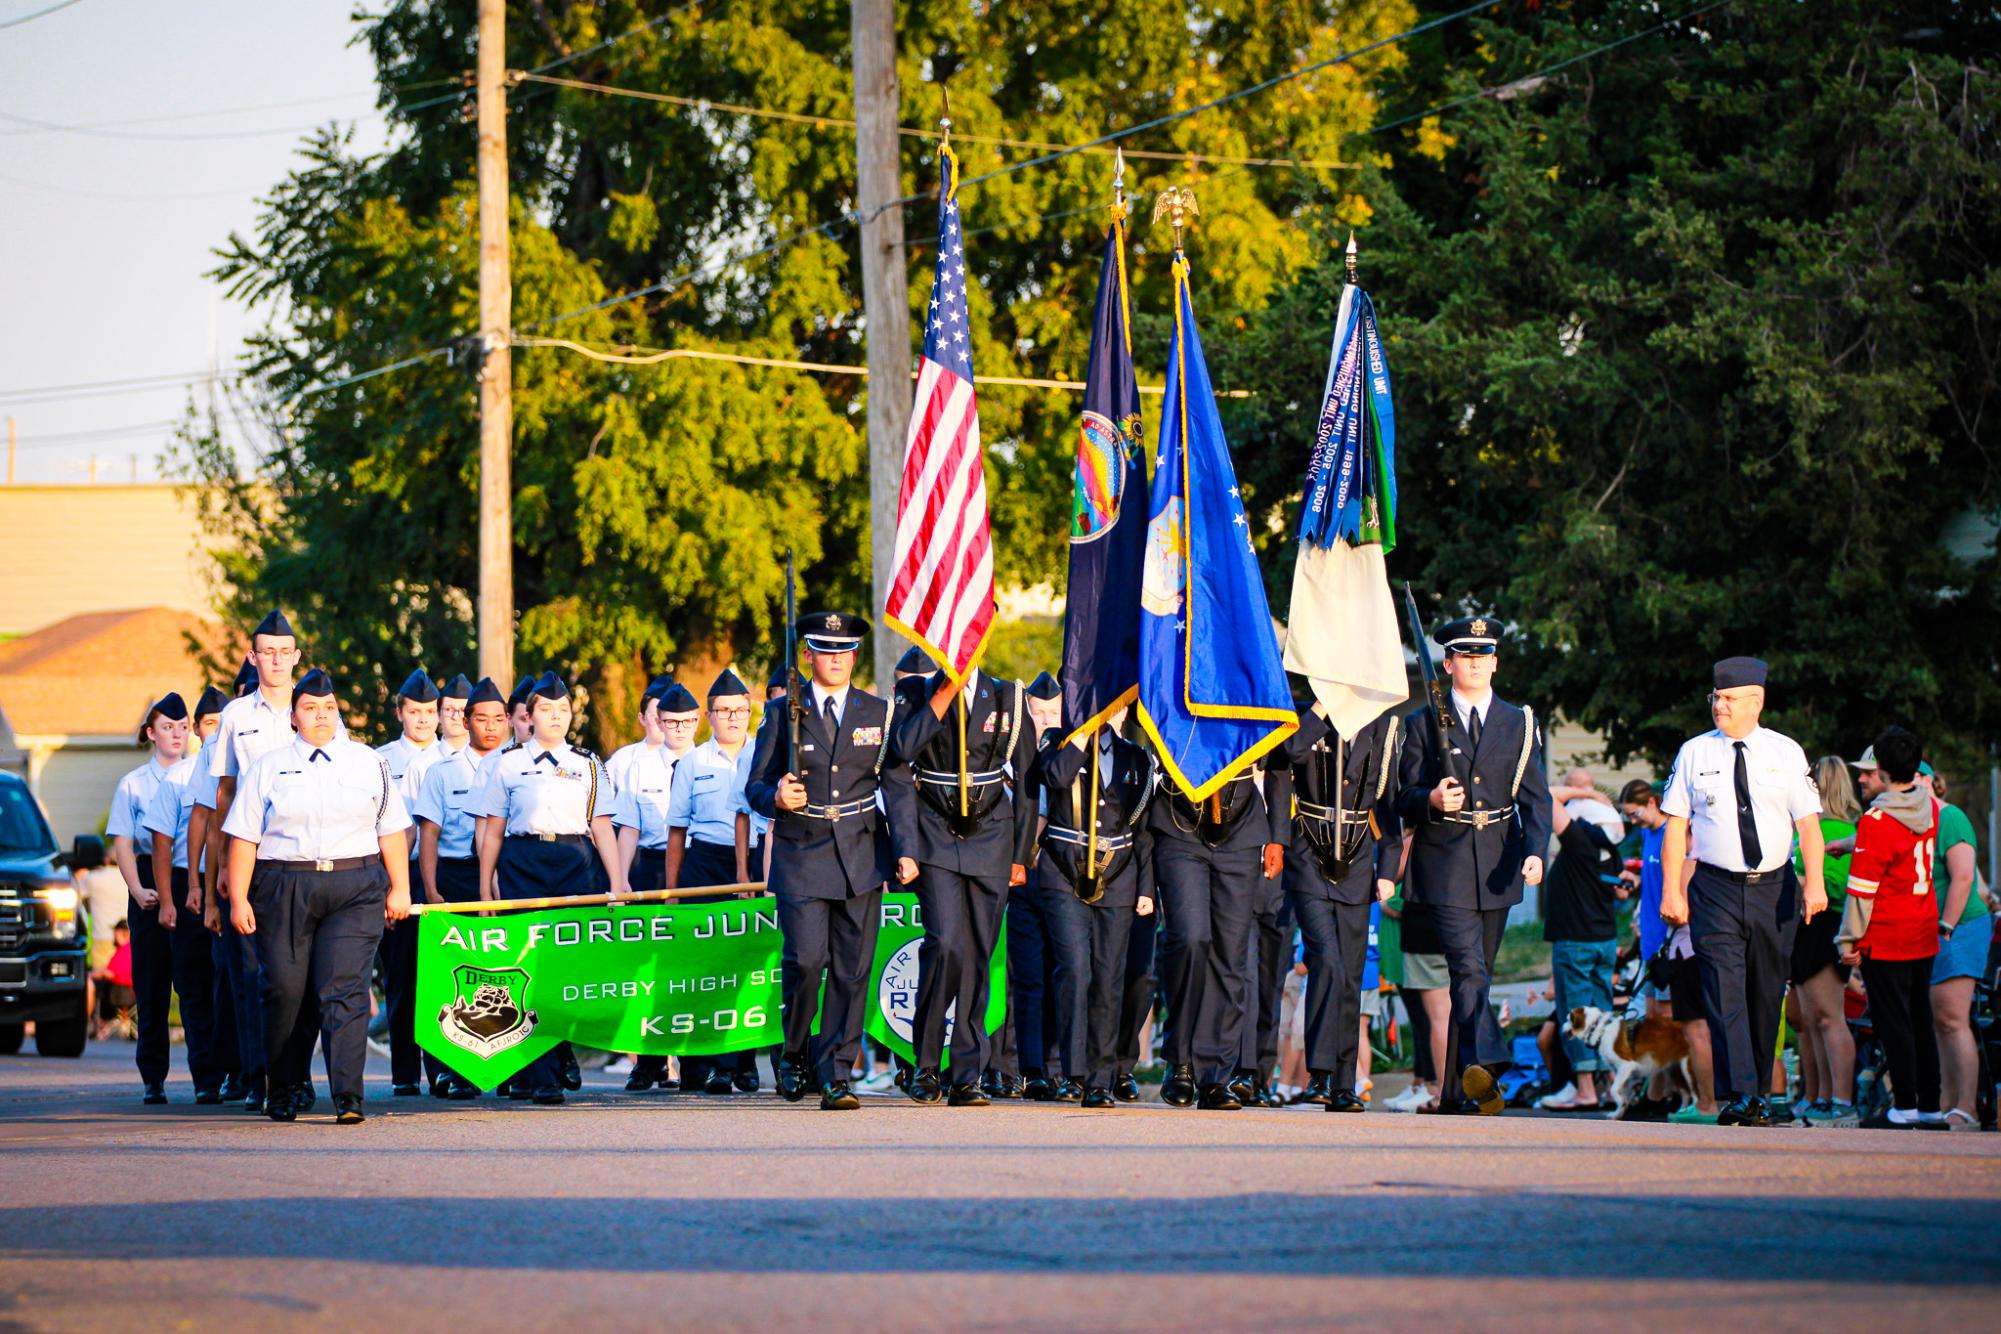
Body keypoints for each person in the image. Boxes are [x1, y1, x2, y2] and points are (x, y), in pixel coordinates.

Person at [222, 669, 414, 1124]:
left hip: (356, 885)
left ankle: (349, 1095)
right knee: (285, 991)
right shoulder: (269, 767)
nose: (321, 716)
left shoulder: (369, 763)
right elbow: (244, 838)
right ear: (294, 718)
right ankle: (284, 1087)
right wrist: (239, 899)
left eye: (328, 708)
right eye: (310, 708)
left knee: (343, 990)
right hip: (284, 885)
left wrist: (400, 888)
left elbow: (391, 831)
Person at [746, 611, 909, 1110]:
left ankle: (836, 1070)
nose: (834, 659)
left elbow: (896, 785)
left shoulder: (878, 712)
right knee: (806, 960)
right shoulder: (782, 714)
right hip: (802, 851)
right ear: (809, 655)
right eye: (824, 650)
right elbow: (752, 786)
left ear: (854, 656)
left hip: (861, 852)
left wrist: (906, 850)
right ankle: (794, 1050)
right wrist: (776, 796)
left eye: (843, 651)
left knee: (852, 969)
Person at [1394, 614, 1552, 1115]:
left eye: (1483, 656)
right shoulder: (1421, 723)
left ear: (1496, 664)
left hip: (1499, 861)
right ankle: (1492, 1059)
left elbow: (1536, 799)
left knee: (1473, 978)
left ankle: (1455, 1095)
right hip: (1445, 862)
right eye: (1465, 655)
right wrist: (1431, 799)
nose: (1475, 663)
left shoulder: (1519, 722)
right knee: (1469, 970)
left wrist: (1534, 851)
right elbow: (1402, 797)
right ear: (1449, 662)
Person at [1660, 656, 1824, 1127]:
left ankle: (1760, 1090)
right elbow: (1676, 827)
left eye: (1730, 698)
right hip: (1715, 886)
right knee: (1722, 988)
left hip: (1774, 888)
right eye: (1716, 697)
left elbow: (1808, 826)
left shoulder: (1785, 751)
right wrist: (1673, 890)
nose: (1720, 706)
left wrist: (1814, 881)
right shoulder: (1695, 752)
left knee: (1766, 992)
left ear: (1757, 701)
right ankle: (1741, 1095)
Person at [889, 655, 1035, 1107]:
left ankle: (968, 1071)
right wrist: (943, 695)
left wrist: (1020, 852)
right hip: (934, 831)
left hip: (992, 835)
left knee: (976, 954)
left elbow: (1028, 780)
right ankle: (927, 1062)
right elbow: (899, 757)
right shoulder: (915, 694)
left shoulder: (1008, 696)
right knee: (945, 943)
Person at [475, 671, 626, 1103]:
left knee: (564, 969)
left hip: (574, 864)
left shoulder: (587, 763)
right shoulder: (508, 763)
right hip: (523, 862)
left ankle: (559, 1055)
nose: (556, 716)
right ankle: (540, 1073)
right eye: (546, 709)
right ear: (530, 715)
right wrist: (486, 889)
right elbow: (493, 832)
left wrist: (616, 883)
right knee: (528, 968)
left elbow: (602, 826)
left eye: (563, 709)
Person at [202, 612, 315, 1115]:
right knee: (253, 977)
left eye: (282, 651)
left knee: (305, 978)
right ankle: (259, 1076)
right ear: (252, 657)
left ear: (295, 656)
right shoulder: (234, 717)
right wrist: (224, 868)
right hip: (254, 860)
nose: (274, 659)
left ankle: (297, 1075)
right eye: (264, 651)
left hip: (306, 860)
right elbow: (224, 795)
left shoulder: (316, 707)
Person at [1147, 724, 1291, 1112]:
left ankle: (1215, 1075)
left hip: (1242, 827)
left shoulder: (1251, 666)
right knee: (1191, 937)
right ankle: (1179, 1060)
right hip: (1180, 822)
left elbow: (1278, 760)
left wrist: (1277, 834)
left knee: (1230, 955)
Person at [1271, 688, 1401, 1111]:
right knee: (1325, 958)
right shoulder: (1306, 718)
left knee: (1349, 969)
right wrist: (1323, 707)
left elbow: (1390, 804)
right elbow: (1286, 752)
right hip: (1309, 854)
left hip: (1359, 859)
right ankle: (1321, 1074)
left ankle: (1343, 1082)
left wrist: (1387, 871)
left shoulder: (1382, 725)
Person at [1021, 704, 1157, 1108]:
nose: (1109, 716)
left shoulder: (1137, 757)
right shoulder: (1056, 742)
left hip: (1118, 878)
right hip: (1064, 873)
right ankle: (1073, 1072)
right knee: (1075, 968)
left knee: (1109, 975)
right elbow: (1057, 776)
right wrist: (1082, 733)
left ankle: (1101, 1078)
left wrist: (1146, 889)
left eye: (1115, 709)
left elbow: (1143, 832)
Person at [108, 693, 219, 1104]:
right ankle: (153, 1076)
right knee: (152, 987)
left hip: (189, 880)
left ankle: (206, 1078)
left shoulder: (201, 775)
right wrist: (138, 891)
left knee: (195, 985)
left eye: (183, 727)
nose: (177, 734)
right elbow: (123, 842)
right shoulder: (133, 783)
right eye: (167, 727)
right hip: (149, 886)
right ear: (150, 733)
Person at [1834, 726, 1942, 1128]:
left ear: (1882, 770)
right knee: (1920, 1021)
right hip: (1922, 928)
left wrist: (1848, 941)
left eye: (1868, 771)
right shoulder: (1925, 807)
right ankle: (1930, 1105)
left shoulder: (1878, 818)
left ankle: (1906, 1105)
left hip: (1887, 934)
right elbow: (1901, 848)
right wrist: (1850, 842)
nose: (1862, 778)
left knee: (1893, 1023)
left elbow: (1862, 893)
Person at [411, 676, 512, 1099]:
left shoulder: (518, 764)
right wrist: (431, 890)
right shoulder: (442, 770)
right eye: (481, 719)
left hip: (506, 877)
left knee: (503, 973)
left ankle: (509, 1068)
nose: (490, 727)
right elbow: (429, 835)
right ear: (465, 721)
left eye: (498, 719)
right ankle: (447, 1070)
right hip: (454, 877)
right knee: (449, 976)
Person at [664, 668, 758, 1096]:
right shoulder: (693, 762)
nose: (733, 718)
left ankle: (743, 1062)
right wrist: (672, 892)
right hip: (705, 864)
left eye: (740, 710)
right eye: (724, 711)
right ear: (709, 715)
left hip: (758, 863)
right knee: (707, 966)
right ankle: (706, 1063)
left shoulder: (765, 754)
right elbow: (677, 830)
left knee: (751, 964)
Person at [611, 678, 700, 1093]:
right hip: (649, 868)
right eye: (671, 721)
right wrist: (621, 879)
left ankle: (696, 1063)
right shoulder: (638, 767)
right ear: (658, 722)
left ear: (698, 722)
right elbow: (628, 828)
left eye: (686, 721)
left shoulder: (710, 763)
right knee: (645, 972)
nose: (679, 728)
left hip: (696, 869)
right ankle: (646, 1063)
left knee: (692, 969)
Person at [1617, 779, 1716, 1122]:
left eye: (1636, 814)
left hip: (1672, 941)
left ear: (1655, 802)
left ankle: (1669, 1094)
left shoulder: (1677, 835)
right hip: (1652, 941)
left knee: (1674, 1024)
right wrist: (1637, 883)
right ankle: (1660, 1092)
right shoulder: (1647, 835)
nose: (1634, 822)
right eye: (1628, 816)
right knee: (1656, 1023)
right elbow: (1656, 875)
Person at [1533, 778, 1626, 1112]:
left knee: (1575, 1014)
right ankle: (1607, 1087)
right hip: (1605, 939)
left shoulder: (1578, 842)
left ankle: (1584, 1088)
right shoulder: (1611, 853)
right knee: (1602, 1012)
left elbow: (1546, 796)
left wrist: (1586, 793)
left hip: (1575, 940)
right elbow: (1620, 892)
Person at [377, 668, 444, 1097]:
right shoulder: (380, 759)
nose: (423, 719)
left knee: (440, 979)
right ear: (400, 712)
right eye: (415, 711)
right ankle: (405, 1073)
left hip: (436, 876)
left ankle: (443, 1070)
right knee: (400, 976)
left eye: (430, 712)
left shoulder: (451, 758)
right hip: (394, 875)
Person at [1002, 671, 1066, 1100]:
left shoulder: (1069, 761)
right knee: (1026, 978)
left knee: (1063, 972)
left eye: (1052, 713)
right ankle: (1029, 1067)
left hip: (1062, 876)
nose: (1044, 720)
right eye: (1037, 713)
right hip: (1020, 876)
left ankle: (1060, 1065)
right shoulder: (1008, 762)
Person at [1788, 757, 1859, 1126]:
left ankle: (1841, 1100)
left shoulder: (1838, 830)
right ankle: (1816, 1095)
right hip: (1802, 930)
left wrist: (1797, 881)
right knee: (1809, 1021)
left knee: (1830, 1017)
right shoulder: (1805, 830)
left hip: (1824, 927)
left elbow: (1833, 887)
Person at [1920, 767, 1987, 1130]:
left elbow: (1964, 877)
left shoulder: (1951, 817)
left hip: (1960, 926)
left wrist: (1945, 927)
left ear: (1926, 780)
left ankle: (1968, 1108)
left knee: (1952, 1018)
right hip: (1935, 929)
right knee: (1938, 1021)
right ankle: (1946, 1103)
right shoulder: (1917, 822)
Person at [90, 919, 136, 1038]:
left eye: (116, 932)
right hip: (127, 992)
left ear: (123, 933)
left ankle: (97, 1023)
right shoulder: (126, 949)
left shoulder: (126, 950)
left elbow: (111, 973)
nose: (114, 935)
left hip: (121, 992)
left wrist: (92, 974)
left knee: (94, 987)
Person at [437, 674, 473, 755]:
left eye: (463, 710)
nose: (455, 717)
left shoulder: (486, 761)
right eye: (448, 709)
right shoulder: (421, 763)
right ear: (438, 715)